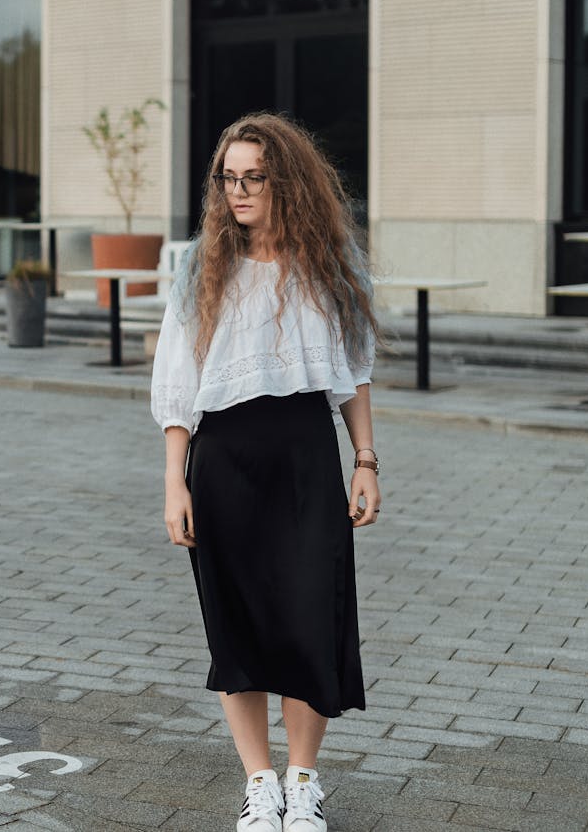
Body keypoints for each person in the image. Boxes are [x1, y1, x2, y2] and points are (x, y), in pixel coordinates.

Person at [150, 112, 381, 832]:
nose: (239, 191)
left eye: (254, 177)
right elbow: (178, 382)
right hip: (223, 460)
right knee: (238, 628)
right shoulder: (201, 266)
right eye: (229, 178)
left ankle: (304, 780)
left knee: (312, 617)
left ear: (286, 180)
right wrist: (174, 480)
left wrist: (366, 460)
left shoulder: (330, 261)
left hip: (306, 455)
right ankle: (260, 783)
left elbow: (354, 372)